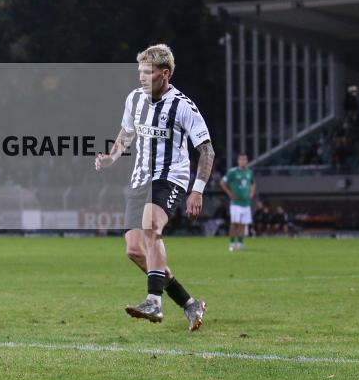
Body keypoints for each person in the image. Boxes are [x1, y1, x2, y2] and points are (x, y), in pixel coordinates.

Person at [96, 44, 213, 331]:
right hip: (140, 179)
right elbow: (127, 133)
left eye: (147, 72)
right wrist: (111, 157)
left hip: (170, 177)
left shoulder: (183, 107)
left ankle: (153, 300)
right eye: (140, 72)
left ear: (165, 73)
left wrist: (197, 190)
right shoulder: (134, 99)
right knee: (135, 250)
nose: (141, 78)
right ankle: (189, 303)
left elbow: (207, 151)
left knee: (151, 228)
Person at [220, 153, 255, 251]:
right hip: (236, 203)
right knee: (234, 223)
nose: (243, 161)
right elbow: (222, 182)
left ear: (247, 161)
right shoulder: (233, 172)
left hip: (246, 203)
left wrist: (252, 193)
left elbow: (253, 183)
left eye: (245, 160)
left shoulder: (249, 172)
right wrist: (229, 193)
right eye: (241, 160)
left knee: (243, 224)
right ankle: (231, 244)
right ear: (238, 161)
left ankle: (240, 244)